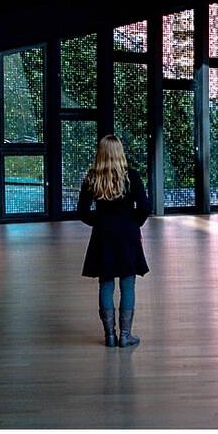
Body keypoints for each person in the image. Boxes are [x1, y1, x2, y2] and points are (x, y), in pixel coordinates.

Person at [78, 134, 151, 347]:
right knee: (128, 283)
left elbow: (82, 212)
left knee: (106, 283)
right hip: (127, 234)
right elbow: (145, 207)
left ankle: (109, 335)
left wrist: (99, 223)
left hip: (103, 236)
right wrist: (132, 222)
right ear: (120, 152)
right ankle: (125, 335)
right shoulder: (131, 177)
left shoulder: (92, 178)